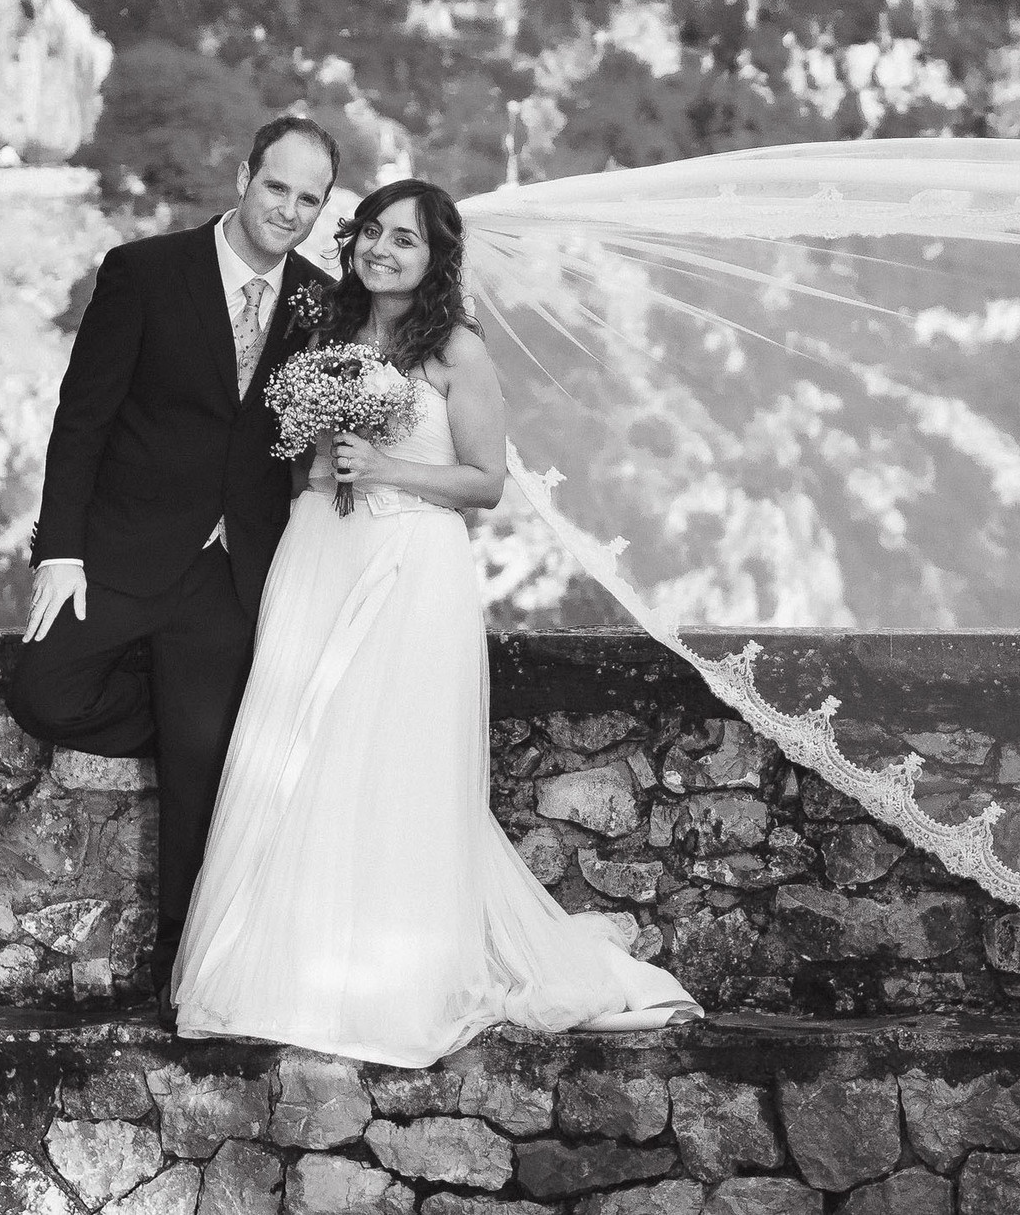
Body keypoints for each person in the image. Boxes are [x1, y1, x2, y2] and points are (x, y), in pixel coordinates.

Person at [173, 179, 700, 1063]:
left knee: (392, 761)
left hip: (412, 562)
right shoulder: (326, 332)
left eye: (405, 240)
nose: (382, 250)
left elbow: (485, 482)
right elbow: (299, 462)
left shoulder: (457, 347)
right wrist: (321, 453)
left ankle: (392, 975)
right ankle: (285, 965)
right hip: (320, 551)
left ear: (436, 258)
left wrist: (383, 467)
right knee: (300, 749)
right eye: (373, 232)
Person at [12, 116, 339, 1018]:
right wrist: (60, 550)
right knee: (44, 693)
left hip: (233, 571)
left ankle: (184, 971)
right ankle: (209, 724)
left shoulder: (320, 304)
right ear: (243, 176)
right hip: (122, 551)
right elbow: (82, 416)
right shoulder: (144, 271)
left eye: (309, 199)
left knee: (201, 777)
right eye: (277, 187)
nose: (290, 210)